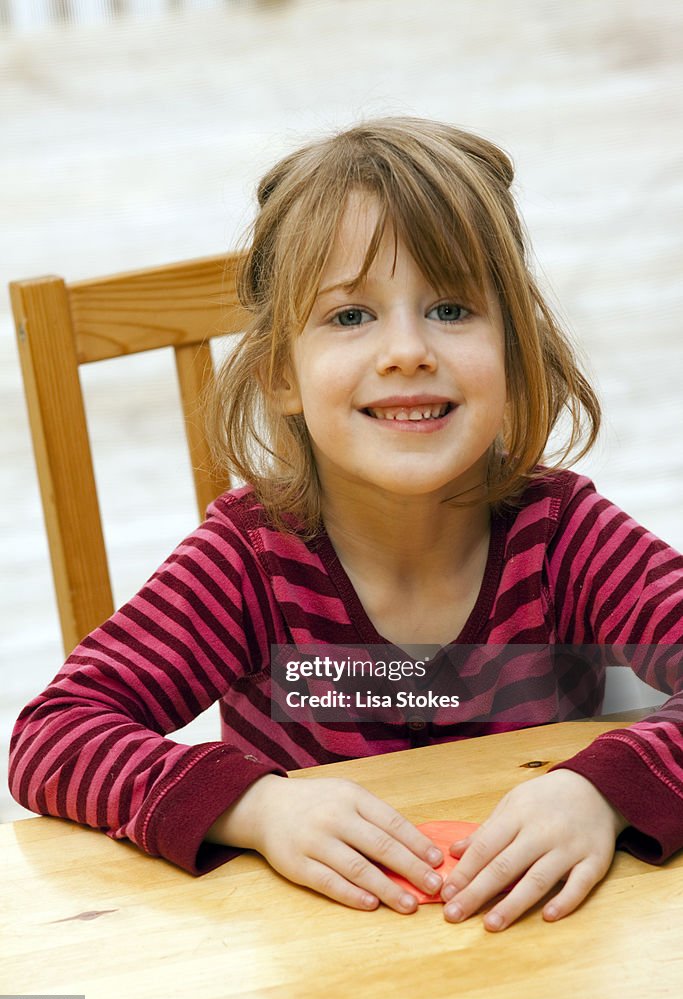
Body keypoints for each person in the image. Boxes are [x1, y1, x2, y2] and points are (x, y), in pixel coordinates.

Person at [9, 117, 683, 933]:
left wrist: (600, 789)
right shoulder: (250, 561)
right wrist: (256, 809)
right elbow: (56, 735)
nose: (405, 350)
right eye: (350, 316)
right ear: (279, 375)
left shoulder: (562, 539)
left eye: (449, 306)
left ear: (515, 351)